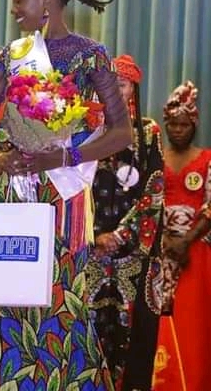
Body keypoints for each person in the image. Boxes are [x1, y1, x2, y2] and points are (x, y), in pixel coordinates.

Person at [0, 0, 133, 390]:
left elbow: (121, 131)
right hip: (16, 188)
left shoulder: (92, 54)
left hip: (64, 191)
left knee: (61, 296)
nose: (15, 9)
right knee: (9, 295)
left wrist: (65, 156)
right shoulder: (10, 56)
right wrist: (0, 159)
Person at [85, 55, 164, 390]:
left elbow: (154, 189)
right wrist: (95, 236)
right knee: (90, 332)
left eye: (123, 83)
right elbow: (75, 189)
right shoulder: (85, 131)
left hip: (134, 255)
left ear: (133, 89)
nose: (116, 90)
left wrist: (120, 235)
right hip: (92, 251)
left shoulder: (147, 133)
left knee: (133, 336)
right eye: (109, 83)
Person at [152, 81, 211, 390]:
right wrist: (163, 241)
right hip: (160, 251)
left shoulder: (207, 158)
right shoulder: (155, 159)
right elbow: (147, 203)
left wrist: (186, 241)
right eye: (172, 124)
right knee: (158, 317)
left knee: (194, 321)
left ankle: (195, 380)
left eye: (184, 124)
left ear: (194, 125)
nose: (177, 130)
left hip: (195, 252)